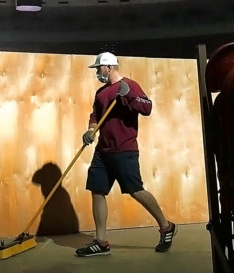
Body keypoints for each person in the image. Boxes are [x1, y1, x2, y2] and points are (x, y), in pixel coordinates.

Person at [75, 52, 177, 257]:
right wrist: (90, 131)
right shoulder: (101, 93)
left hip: (125, 149)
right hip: (103, 151)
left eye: (98, 68)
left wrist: (129, 94)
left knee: (135, 190)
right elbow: (95, 115)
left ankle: (166, 227)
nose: (97, 72)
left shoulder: (130, 85)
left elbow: (147, 108)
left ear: (109, 67)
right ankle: (101, 242)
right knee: (97, 190)